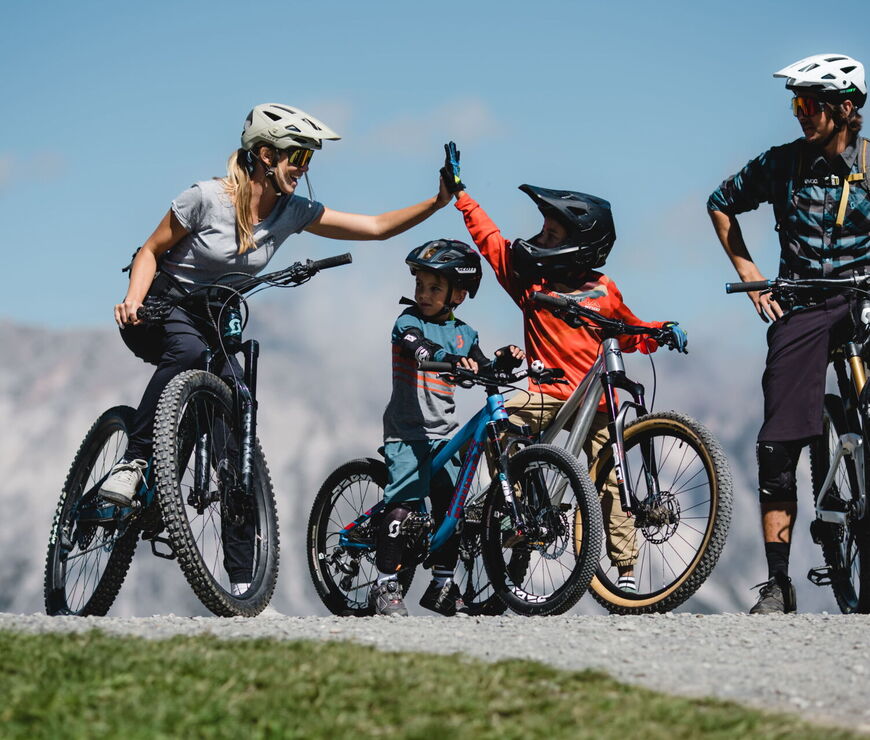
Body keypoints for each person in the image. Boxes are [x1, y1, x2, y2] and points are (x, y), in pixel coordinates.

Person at [99, 103, 452, 593]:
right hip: (161, 307)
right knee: (186, 356)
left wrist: (436, 203)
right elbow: (150, 251)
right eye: (297, 156)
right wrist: (133, 299)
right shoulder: (205, 198)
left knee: (237, 415)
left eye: (309, 159)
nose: (304, 168)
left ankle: (241, 578)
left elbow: (372, 227)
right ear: (264, 154)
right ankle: (135, 462)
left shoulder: (291, 213)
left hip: (214, 320)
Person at [440, 143, 688, 593]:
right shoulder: (529, 283)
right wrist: (462, 194)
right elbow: (492, 242)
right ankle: (511, 499)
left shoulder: (602, 290)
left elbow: (628, 331)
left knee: (612, 480)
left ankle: (626, 573)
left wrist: (662, 329)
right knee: (501, 425)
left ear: (578, 246)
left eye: (551, 235)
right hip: (546, 396)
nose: (540, 239)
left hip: (594, 406)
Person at [708, 54, 869, 614]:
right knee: (776, 444)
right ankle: (779, 584)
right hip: (801, 301)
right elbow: (721, 203)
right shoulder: (782, 165)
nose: (799, 114)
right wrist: (752, 278)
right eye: (795, 104)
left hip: (864, 296)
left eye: (809, 104)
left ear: (846, 109)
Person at [371, 239, 524, 616]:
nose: (423, 294)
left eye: (434, 288)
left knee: (450, 511)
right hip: (407, 432)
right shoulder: (408, 322)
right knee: (403, 509)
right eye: (420, 285)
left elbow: (480, 364)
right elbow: (417, 346)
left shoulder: (465, 334)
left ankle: (442, 584)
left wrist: (502, 360)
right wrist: (442, 357)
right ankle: (385, 583)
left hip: (444, 435)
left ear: (459, 294)